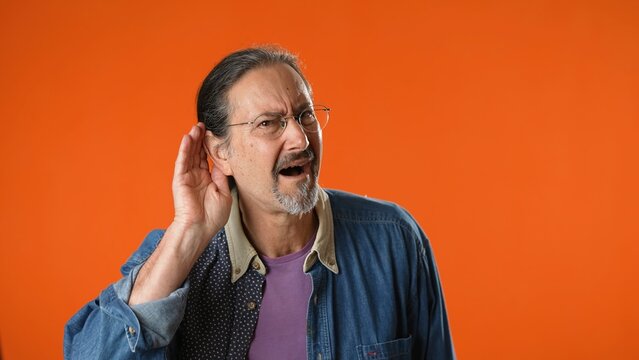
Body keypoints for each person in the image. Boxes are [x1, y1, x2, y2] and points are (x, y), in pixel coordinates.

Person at [64, 46, 455, 359]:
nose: (301, 141)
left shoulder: (394, 241)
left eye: (305, 116)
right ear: (220, 153)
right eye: (269, 123)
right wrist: (187, 233)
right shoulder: (174, 258)